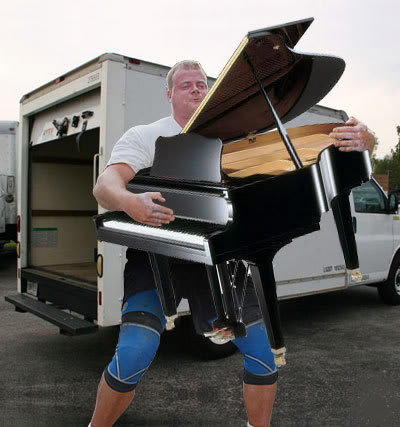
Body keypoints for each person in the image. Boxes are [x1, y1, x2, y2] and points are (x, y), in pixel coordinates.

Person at [90, 60, 375, 427]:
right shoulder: (144, 136)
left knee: (263, 356)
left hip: (220, 262)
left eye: (201, 85)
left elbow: (324, 144)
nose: (196, 89)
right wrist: (130, 202)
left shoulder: (236, 139)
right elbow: (105, 186)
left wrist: (364, 137)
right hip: (156, 259)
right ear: (170, 95)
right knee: (134, 354)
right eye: (186, 85)